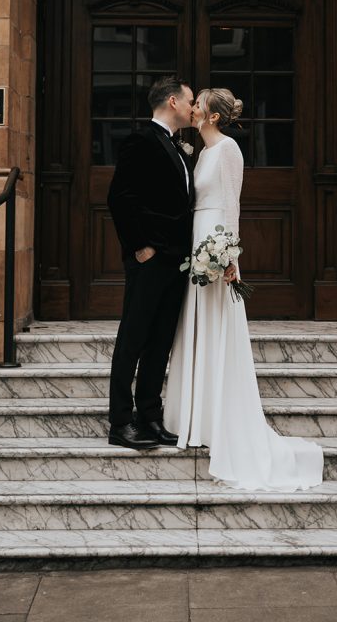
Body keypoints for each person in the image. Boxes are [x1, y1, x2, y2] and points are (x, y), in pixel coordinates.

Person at [164, 87, 324, 491]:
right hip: (198, 240)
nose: (193, 107)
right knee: (197, 327)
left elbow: (231, 203)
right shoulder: (200, 152)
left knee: (218, 329)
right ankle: (196, 419)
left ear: (212, 116)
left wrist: (229, 255)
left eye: (198, 103)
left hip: (216, 242)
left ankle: (221, 420)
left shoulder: (229, 149)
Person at [107, 75, 195, 450]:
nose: (194, 108)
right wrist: (140, 247)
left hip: (177, 260)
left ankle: (150, 417)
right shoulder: (139, 141)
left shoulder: (179, 146)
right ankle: (120, 422)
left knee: (159, 343)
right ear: (173, 102)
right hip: (150, 258)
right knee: (133, 340)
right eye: (190, 100)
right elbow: (120, 197)